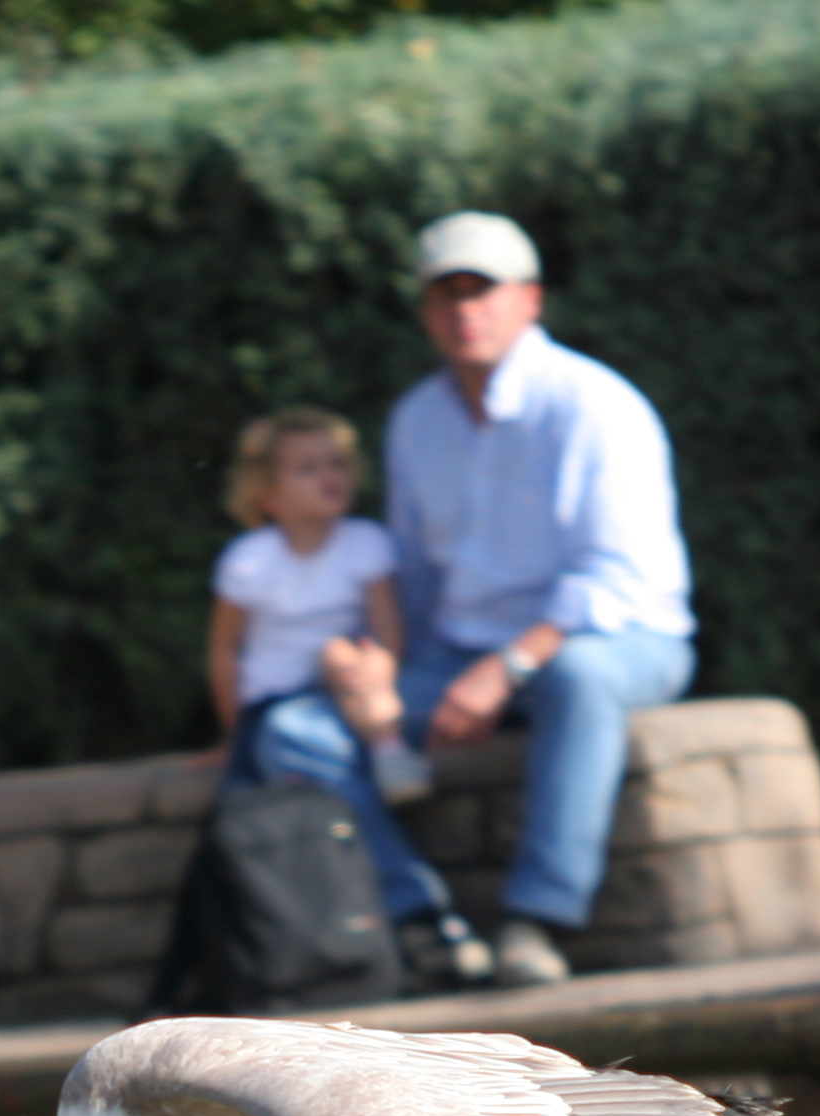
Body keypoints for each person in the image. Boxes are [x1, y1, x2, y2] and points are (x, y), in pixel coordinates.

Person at [384, 211, 697, 987]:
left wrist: (505, 667)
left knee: (580, 678)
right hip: (458, 654)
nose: (465, 307)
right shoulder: (414, 422)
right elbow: (413, 578)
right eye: (446, 292)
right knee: (307, 727)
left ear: (530, 298)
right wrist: (381, 683)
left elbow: (612, 577)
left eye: (482, 288)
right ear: (426, 311)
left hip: (621, 638)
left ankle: (539, 921)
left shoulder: (595, 404)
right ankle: (418, 924)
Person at [210, 408, 494, 988]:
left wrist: (373, 677)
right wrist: (232, 735)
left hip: (352, 691)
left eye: (337, 463)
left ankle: (407, 919)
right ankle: (417, 913)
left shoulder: (365, 543)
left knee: (341, 664)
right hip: (279, 709)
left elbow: (388, 635)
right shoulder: (249, 561)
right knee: (308, 729)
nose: (329, 476)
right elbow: (225, 651)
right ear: (267, 493)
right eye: (307, 467)